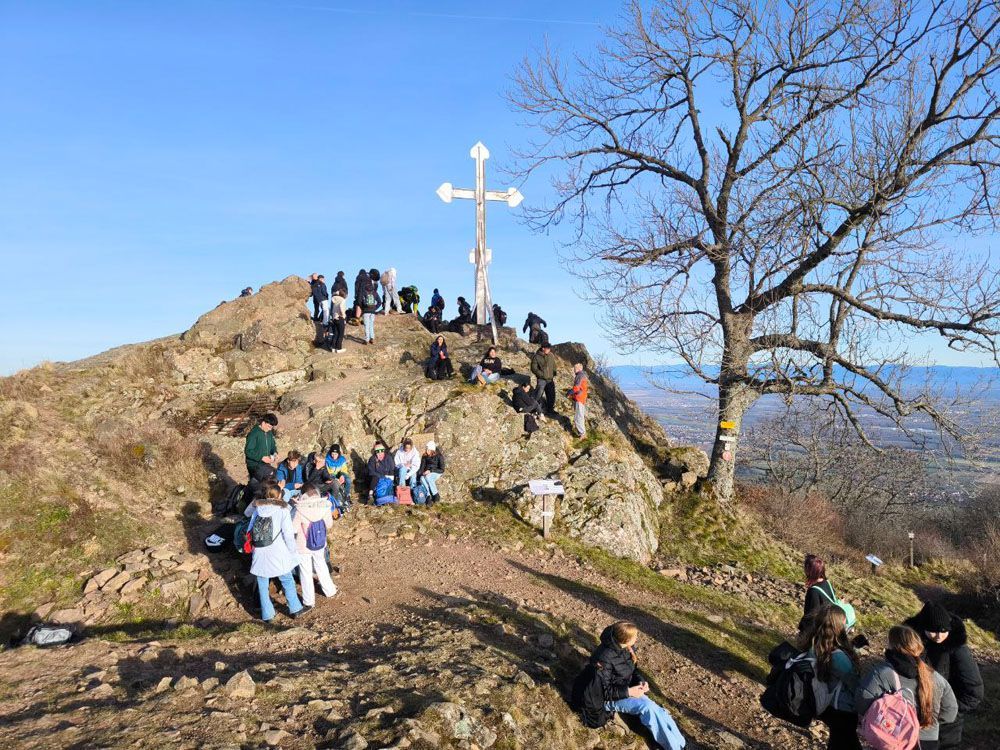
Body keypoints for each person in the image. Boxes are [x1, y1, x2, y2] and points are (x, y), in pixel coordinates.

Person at [857, 625, 958, 750]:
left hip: (893, 738)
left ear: (893, 646)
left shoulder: (881, 673)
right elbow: (950, 713)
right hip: (928, 741)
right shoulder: (936, 677)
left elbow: (862, 700)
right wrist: (928, 724)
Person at [588, 621, 686, 750]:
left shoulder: (625, 649)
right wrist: (629, 692)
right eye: (635, 636)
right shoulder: (604, 657)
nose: (637, 638)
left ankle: (681, 745)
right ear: (626, 639)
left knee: (659, 711)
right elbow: (602, 691)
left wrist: (641, 682)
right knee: (648, 708)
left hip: (625, 689)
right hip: (607, 699)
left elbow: (633, 670)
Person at [904, 602, 984, 749]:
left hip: (947, 726)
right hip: (911, 719)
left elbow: (974, 690)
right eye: (933, 631)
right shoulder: (909, 646)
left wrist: (950, 710)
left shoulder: (957, 649)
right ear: (923, 628)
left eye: (944, 630)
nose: (939, 636)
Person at [797, 606, 861, 750]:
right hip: (842, 708)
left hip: (823, 704)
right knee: (848, 742)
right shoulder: (838, 656)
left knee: (838, 741)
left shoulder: (812, 647)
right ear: (840, 625)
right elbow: (854, 684)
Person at [245, 485, 305, 621]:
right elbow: (288, 535)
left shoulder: (257, 510)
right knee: (287, 579)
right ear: (279, 496)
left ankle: (267, 614)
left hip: (260, 551)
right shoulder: (282, 510)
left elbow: (249, 531)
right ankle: (295, 608)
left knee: (262, 584)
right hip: (278, 551)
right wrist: (293, 552)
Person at [292, 483, 337, 607]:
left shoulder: (300, 509)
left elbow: (294, 529)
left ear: (303, 494)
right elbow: (329, 525)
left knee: (305, 571)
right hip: (320, 541)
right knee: (321, 564)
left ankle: (309, 601)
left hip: (303, 544)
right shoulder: (325, 506)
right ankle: (330, 590)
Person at [245, 413, 279, 482]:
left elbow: (273, 446)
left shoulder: (269, 433)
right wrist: (261, 457)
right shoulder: (254, 433)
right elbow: (248, 451)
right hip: (254, 465)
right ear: (263, 423)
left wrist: (275, 453)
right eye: (269, 426)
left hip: (265, 464)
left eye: (271, 427)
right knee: (269, 478)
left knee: (276, 475)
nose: (270, 429)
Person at [530, 343, 557, 413]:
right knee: (539, 394)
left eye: (549, 348)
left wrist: (554, 372)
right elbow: (533, 368)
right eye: (548, 348)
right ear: (543, 348)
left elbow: (554, 365)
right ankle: (533, 408)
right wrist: (541, 375)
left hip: (550, 379)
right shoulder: (536, 356)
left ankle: (550, 410)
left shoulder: (551, 355)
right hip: (541, 379)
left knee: (551, 395)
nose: (549, 349)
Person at [359, 269, 382, 344]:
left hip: (366, 311)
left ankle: (366, 339)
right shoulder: (374, 292)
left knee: (366, 325)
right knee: (371, 325)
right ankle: (372, 338)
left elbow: (360, 301)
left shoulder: (364, 292)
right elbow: (379, 302)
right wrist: (375, 308)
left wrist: (362, 308)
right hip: (372, 311)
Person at [419, 441, 445, 505]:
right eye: (426, 449)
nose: (426, 450)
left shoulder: (439, 456)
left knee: (428, 477)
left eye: (428, 449)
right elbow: (422, 467)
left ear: (432, 450)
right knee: (422, 478)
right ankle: (428, 496)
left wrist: (430, 471)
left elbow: (442, 469)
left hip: (436, 472)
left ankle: (435, 494)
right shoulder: (424, 456)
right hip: (427, 472)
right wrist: (421, 473)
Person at [570, 362, 589, 438]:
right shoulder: (583, 375)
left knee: (578, 417)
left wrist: (569, 393)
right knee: (580, 416)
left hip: (579, 398)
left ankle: (582, 433)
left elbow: (576, 387)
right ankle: (582, 432)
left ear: (578, 369)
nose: (573, 370)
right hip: (582, 397)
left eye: (574, 368)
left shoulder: (579, 375)